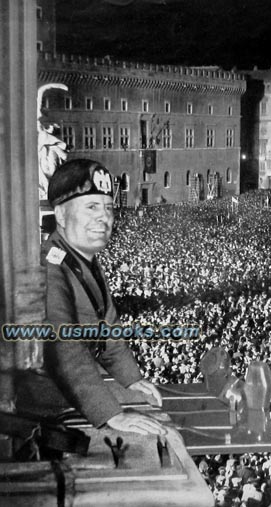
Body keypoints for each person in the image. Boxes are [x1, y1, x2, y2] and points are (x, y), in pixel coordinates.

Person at [39, 159, 165, 435]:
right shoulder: (49, 267)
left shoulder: (80, 260)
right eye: (92, 207)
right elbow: (62, 346)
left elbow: (107, 329)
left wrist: (131, 379)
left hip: (65, 396)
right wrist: (110, 414)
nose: (104, 217)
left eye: (108, 207)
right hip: (42, 403)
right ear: (61, 215)